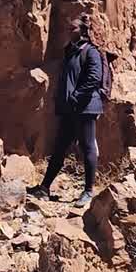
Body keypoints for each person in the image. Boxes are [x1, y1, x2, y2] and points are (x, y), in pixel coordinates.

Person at [29, 15, 107, 207]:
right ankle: (44, 187)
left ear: (83, 31)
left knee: (88, 146)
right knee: (60, 148)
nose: (68, 32)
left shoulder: (91, 52)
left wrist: (76, 96)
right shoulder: (71, 52)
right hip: (70, 110)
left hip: (85, 107)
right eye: (68, 29)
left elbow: (94, 78)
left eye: (72, 29)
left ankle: (88, 191)